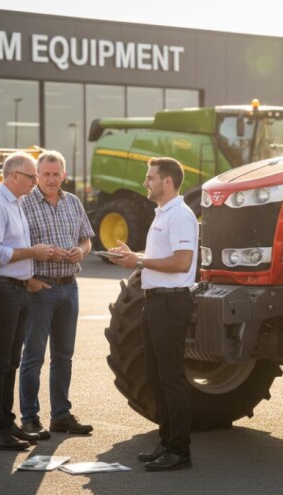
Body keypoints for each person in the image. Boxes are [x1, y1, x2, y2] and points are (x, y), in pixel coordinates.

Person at [109, 157, 198, 472]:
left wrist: (140, 262)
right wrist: (134, 257)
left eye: (150, 178)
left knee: (171, 378)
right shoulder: (164, 213)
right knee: (156, 375)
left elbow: (182, 262)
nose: (145, 183)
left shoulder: (181, 215)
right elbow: (165, 257)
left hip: (171, 303)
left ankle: (180, 451)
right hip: (156, 301)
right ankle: (167, 442)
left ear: (167, 182)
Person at [18, 150, 95, 438]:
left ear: (64, 175)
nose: (51, 179)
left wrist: (81, 251)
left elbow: (86, 239)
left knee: (63, 356)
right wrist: (28, 281)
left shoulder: (73, 202)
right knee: (34, 356)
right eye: (45, 174)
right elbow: (16, 245)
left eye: (56, 174)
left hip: (69, 287)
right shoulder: (24, 204)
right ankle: (29, 418)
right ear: (37, 176)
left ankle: (60, 415)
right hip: (40, 288)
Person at [0, 152, 53, 451]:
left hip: (19, 289)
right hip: (4, 288)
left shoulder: (18, 203)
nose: (36, 182)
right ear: (12, 176)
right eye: (31, 176)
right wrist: (32, 252)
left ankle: (5, 421)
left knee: (11, 360)